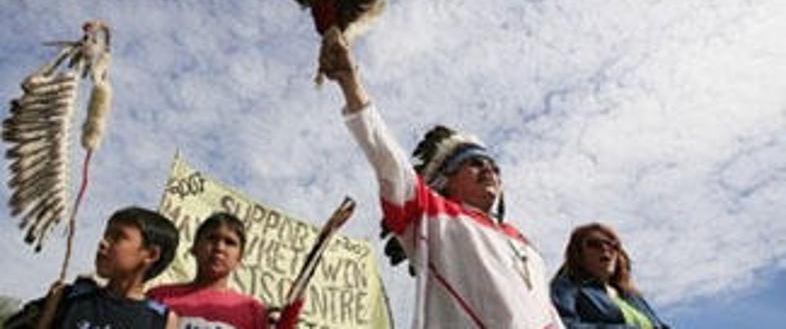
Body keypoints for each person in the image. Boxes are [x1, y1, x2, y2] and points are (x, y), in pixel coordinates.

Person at [318, 31, 565, 329]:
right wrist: (350, 81)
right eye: (474, 164)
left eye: (493, 166)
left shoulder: (526, 246)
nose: (489, 170)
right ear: (446, 180)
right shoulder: (433, 217)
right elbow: (387, 159)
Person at [6, 206, 180, 329]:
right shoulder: (69, 297)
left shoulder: (161, 320)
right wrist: (48, 311)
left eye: (118, 237)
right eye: (106, 235)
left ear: (150, 255)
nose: (103, 243)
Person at [147, 212, 271, 328]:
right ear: (194, 247)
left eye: (230, 242)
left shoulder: (254, 311)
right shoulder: (159, 297)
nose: (219, 248)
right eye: (212, 238)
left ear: (239, 258)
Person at [550, 223, 671, 329]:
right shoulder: (567, 286)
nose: (605, 248)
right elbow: (562, 324)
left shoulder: (633, 298)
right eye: (594, 244)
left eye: (612, 244)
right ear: (578, 254)